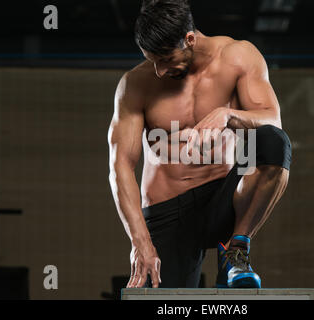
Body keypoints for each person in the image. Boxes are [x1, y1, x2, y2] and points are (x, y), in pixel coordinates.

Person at [108, 0, 291, 289]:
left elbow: (272, 120)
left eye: (166, 59)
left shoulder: (238, 57)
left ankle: (236, 252)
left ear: (189, 39)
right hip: (168, 210)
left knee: (272, 141)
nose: (158, 71)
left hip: (226, 200)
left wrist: (229, 114)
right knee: (166, 304)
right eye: (152, 60)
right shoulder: (135, 84)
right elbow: (120, 167)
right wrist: (140, 243)